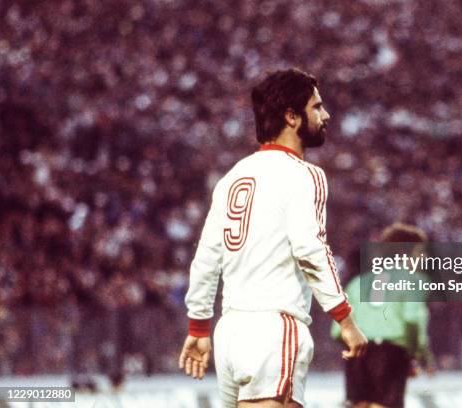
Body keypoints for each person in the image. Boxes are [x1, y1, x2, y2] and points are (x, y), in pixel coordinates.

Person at [178, 68, 367, 408]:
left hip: (230, 332)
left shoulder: (233, 177)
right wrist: (345, 319)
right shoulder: (304, 174)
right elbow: (311, 249)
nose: (326, 115)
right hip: (274, 328)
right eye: (317, 107)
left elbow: (206, 258)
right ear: (292, 117)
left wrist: (198, 327)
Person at [332, 223, 434, 408]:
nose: (424, 257)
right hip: (391, 352)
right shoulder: (414, 280)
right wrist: (417, 353)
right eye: (421, 252)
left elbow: (338, 331)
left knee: (359, 404)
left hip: (357, 353)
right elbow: (412, 319)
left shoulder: (357, 283)